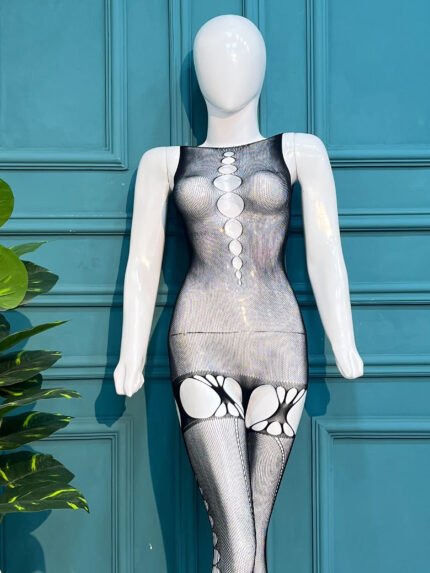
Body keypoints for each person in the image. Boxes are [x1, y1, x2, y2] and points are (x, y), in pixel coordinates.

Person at [114, 14, 363, 573]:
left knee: (254, 538)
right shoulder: (163, 162)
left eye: (241, 56)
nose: (228, 69)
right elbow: (143, 264)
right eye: (214, 59)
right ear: (198, 75)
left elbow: (327, 252)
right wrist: (131, 354)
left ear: (262, 69)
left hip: (279, 346)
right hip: (200, 342)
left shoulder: (300, 151)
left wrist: (344, 341)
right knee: (238, 540)